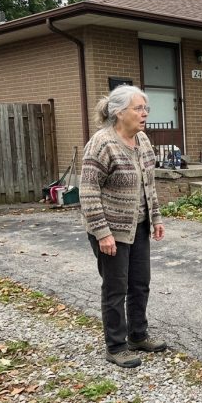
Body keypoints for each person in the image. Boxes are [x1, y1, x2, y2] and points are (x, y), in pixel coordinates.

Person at [80, 85, 167, 368]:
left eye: (146, 109)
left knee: (140, 284)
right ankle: (116, 346)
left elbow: (149, 184)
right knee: (116, 288)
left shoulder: (142, 140)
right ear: (119, 112)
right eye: (138, 108)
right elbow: (88, 190)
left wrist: (156, 218)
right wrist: (102, 232)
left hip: (138, 227)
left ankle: (138, 335)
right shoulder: (102, 143)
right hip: (110, 231)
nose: (144, 114)